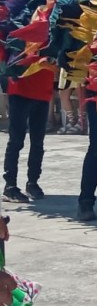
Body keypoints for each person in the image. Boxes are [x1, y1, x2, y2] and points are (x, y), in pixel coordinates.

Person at [3, 65, 55, 203]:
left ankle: (33, 182)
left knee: (38, 142)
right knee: (16, 141)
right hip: (20, 89)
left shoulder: (51, 42)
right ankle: (10, 186)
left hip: (43, 89)